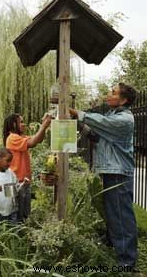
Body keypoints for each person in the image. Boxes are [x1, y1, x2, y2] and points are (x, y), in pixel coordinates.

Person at [69, 82, 138, 270]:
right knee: (113, 214)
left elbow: (102, 123)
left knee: (121, 217)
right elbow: (96, 136)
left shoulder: (124, 120)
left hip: (119, 174)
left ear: (123, 100)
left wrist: (80, 114)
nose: (109, 94)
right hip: (111, 171)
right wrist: (78, 123)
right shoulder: (112, 115)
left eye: (113, 93)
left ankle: (126, 263)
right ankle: (115, 247)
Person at [3, 113, 51, 222]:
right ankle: (15, 236)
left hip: (23, 182)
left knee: (23, 215)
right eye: (21, 122)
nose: (24, 124)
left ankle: (21, 235)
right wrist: (44, 126)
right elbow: (33, 142)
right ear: (13, 124)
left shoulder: (20, 137)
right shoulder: (12, 138)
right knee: (16, 216)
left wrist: (44, 125)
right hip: (16, 183)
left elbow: (37, 140)